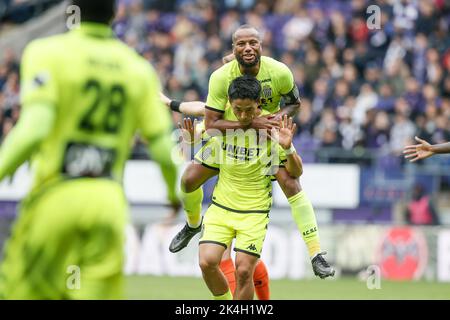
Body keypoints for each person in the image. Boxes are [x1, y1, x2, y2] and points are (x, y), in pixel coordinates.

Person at [0, 0, 179, 299]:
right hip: (107, 206)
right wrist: (175, 195)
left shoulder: (47, 52)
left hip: (54, 197)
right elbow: (163, 147)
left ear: (73, 10)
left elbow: (34, 129)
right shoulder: (137, 69)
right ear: (115, 13)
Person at [168, 25, 334, 280]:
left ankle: (316, 253)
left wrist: (275, 119)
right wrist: (251, 123)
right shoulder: (221, 77)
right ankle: (192, 225)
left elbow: (295, 104)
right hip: (230, 136)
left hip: (266, 140)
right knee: (188, 179)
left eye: (252, 43)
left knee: (292, 183)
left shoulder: (279, 72)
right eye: (241, 44)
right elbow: (210, 122)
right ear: (232, 49)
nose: (247, 48)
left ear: (261, 46)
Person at [196, 75, 302, 300]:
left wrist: (289, 148)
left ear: (259, 105)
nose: (243, 116)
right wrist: (190, 139)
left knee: (244, 271)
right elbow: (200, 129)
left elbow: (296, 172)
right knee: (207, 262)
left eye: (248, 110)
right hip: (221, 207)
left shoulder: (271, 131)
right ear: (229, 105)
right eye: (237, 110)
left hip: (254, 211)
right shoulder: (221, 127)